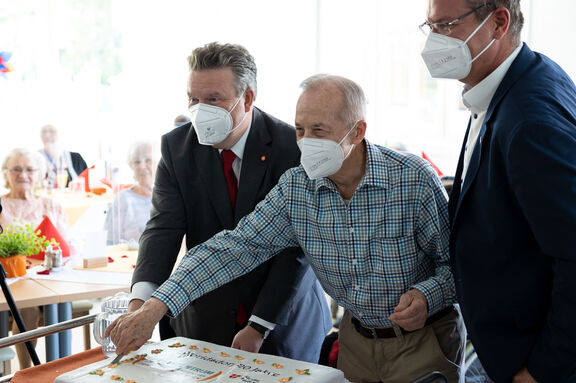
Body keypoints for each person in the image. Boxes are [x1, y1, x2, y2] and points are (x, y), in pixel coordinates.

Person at [108, 74, 465, 382]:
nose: (306, 141)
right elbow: (232, 249)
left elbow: (460, 267)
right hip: (356, 343)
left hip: (423, 341)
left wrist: (427, 294)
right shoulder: (297, 189)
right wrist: (154, 308)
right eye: (299, 130)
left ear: (357, 131)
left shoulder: (412, 180)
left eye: (319, 131)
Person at [129, 42, 331, 363]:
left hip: (281, 321)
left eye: (213, 100)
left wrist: (259, 325)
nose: (199, 109)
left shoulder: (291, 148)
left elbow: (295, 248)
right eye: (193, 99)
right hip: (205, 320)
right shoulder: (177, 148)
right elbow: (162, 230)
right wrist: (140, 303)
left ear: (247, 98)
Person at [420, 1, 576, 382]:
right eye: (429, 27)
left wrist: (540, 372)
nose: (432, 43)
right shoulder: (513, 80)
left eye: (446, 26)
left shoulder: (528, 122)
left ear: (498, 22)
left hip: (535, 359)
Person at [0, 147, 68, 369]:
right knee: (27, 305)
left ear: (39, 175)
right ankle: (27, 368)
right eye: (16, 169)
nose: (23, 175)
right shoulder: (1, 206)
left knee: (57, 299)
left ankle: (57, 366)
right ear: (6, 173)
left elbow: (67, 246)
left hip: (50, 278)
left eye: (30, 169)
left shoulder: (52, 205)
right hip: (12, 279)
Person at [104, 141, 155, 246]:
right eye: (137, 162)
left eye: (148, 160)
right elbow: (109, 242)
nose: (142, 166)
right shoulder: (123, 199)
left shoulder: (169, 198)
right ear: (131, 165)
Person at [39, 124, 88, 188]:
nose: (48, 135)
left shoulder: (76, 158)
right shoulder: (35, 159)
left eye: (51, 131)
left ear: (58, 135)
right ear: (40, 136)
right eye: (44, 132)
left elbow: (87, 180)